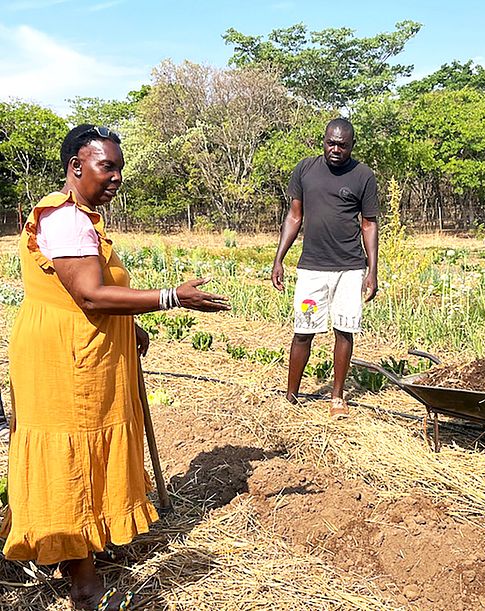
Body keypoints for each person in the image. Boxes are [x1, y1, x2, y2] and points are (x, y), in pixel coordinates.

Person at [1, 124, 230, 610]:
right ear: (75, 167)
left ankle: (91, 543)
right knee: (73, 456)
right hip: (65, 358)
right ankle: (82, 581)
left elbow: (94, 295)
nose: (116, 177)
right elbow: (89, 293)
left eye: (120, 168)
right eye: (107, 166)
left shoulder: (83, 218)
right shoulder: (64, 219)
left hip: (87, 349)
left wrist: (132, 327)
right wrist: (172, 297)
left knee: (90, 447)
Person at [271, 118, 379, 418]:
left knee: (344, 330)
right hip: (312, 269)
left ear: (352, 146)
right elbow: (294, 217)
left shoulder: (363, 176)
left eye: (342, 145)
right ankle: (291, 396)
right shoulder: (305, 169)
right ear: (323, 140)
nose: (335, 149)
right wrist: (279, 259)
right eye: (331, 142)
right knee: (303, 331)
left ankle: (337, 397)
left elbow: (369, 224)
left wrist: (372, 270)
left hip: (349, 268)